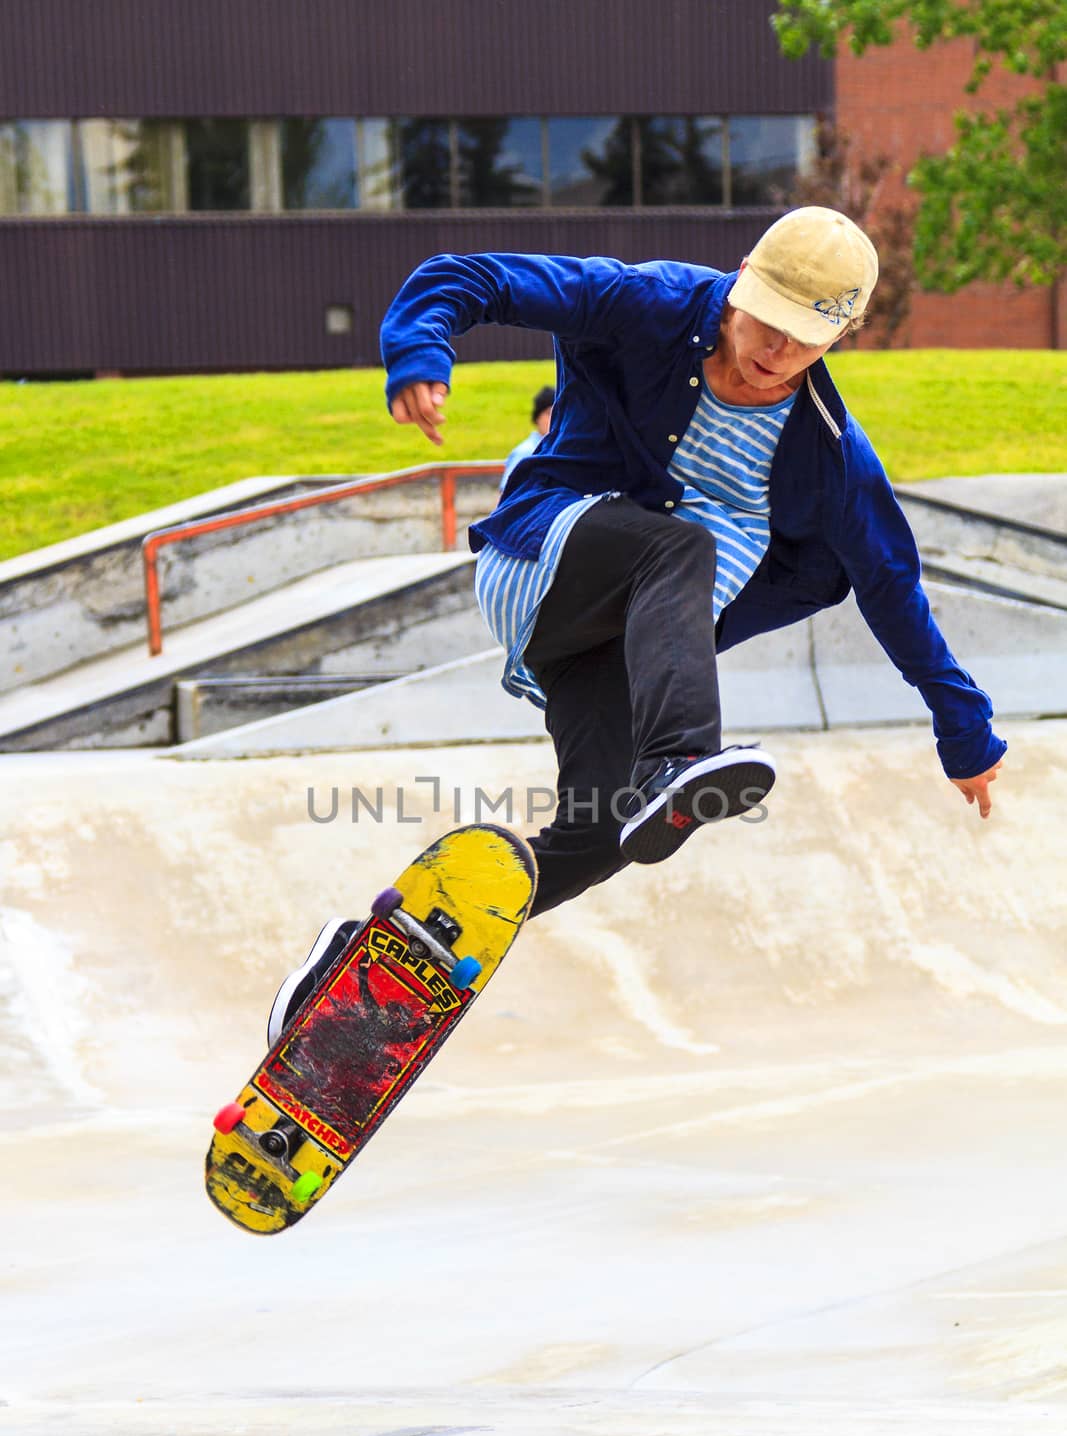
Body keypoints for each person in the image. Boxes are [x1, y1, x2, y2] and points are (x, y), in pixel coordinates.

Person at [267, 207, 1006, 1041]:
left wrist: (964, 732)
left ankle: (374, 973)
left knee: (604, 833)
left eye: (803, 342)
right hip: (546, 554)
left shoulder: (828, 452)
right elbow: (472, 276)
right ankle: (680, 757)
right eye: (763, 324)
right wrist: (419, 354)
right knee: (680, 546)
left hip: (610, 652)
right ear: (739, 286)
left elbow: (891, 585)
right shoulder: (648, 302)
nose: (773, 354)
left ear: (839, 336)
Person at [499, 385, 554, 491]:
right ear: (537, 417)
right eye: (548, 413)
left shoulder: (558, 449)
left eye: (557, 413)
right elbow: (506, 495)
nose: (553, 419)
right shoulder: (526, 452)